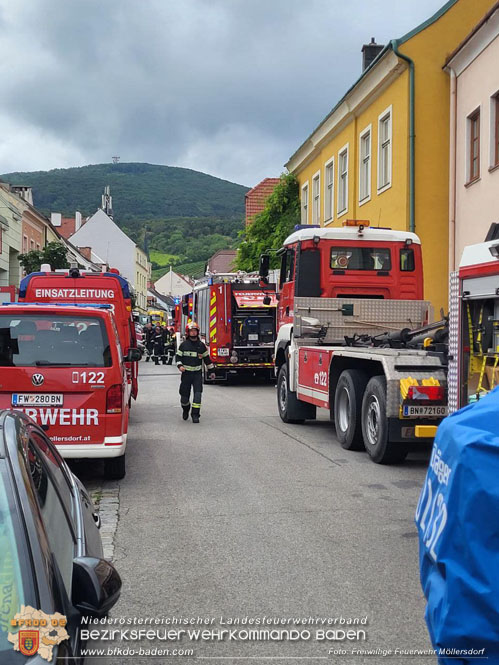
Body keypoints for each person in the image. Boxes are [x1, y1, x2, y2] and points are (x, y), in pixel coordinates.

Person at [176, 322, 215, 423]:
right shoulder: (183, 345)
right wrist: (180, 366)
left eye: (195, 331)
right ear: (188, 333)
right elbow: (178, 357)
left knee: (198, 395)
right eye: (191, 331)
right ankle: (185, 409)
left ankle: (195, 415)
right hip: (186, 375)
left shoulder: (201, 346)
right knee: (184, 397)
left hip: (197, 374)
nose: (193, 333)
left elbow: (207, 359)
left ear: (197, 332)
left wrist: (212, 371)